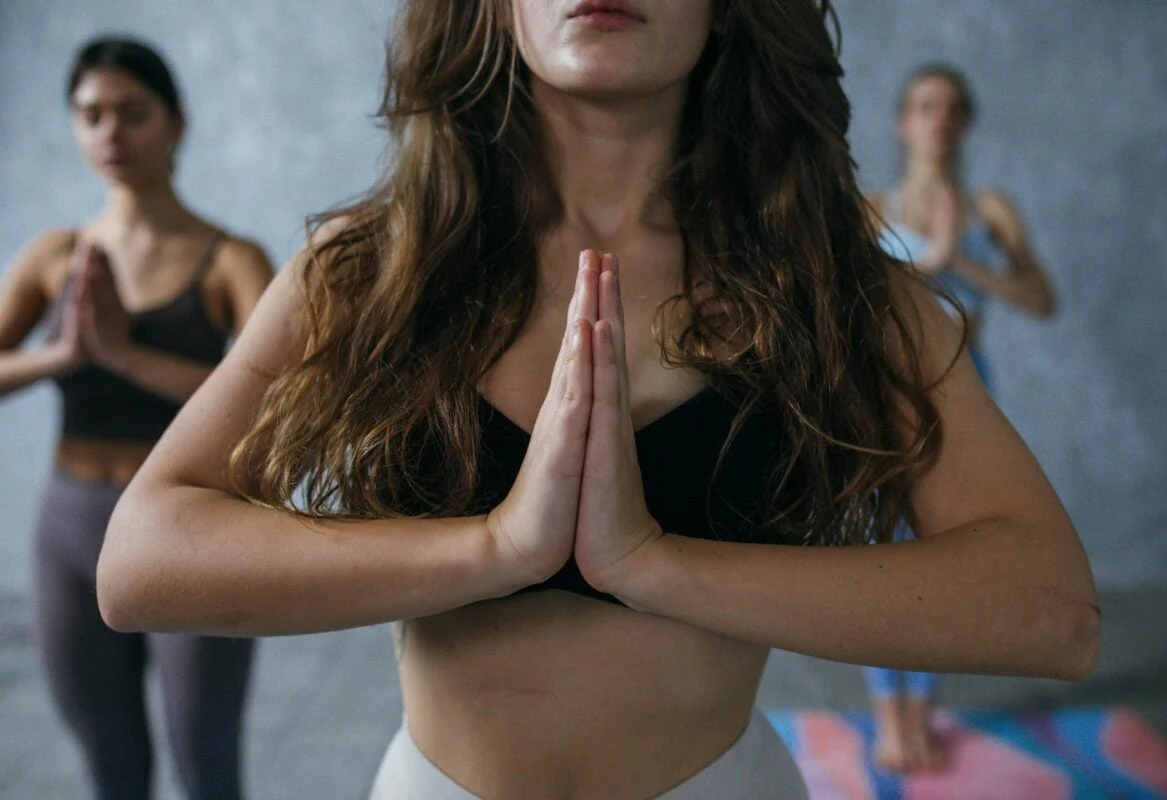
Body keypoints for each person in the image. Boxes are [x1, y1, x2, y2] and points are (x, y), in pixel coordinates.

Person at [97, 4, 1099, 798]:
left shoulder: (838, 291)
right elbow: (142, 562)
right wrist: (497, 547)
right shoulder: (368, 271)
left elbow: (1052, 611)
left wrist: (656, 565)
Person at [0, 37, 273, 800]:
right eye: (90, 115)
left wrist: (121, 354)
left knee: (207, 765)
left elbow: (283, 403)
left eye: (133, 112)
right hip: (69, 528)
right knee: (111, 768)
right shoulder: (56, 256)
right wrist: (61, 355)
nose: (111, 132)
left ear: (177, 125)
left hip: (190, 529)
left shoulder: (230, 260)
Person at [863, 63, 1058, 773]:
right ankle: (889, 713)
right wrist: (930, 257)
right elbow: (855, 302)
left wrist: (965, 265)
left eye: (950, 107)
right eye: (923, 105)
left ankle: (922, 711)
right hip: (893, 396)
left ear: (965, 122)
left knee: (952, 554)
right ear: (903, 122)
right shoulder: (872, 209)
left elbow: (1040, 299)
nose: (937, 118)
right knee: (886, 553)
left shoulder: (992, 209)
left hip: (970, 388)